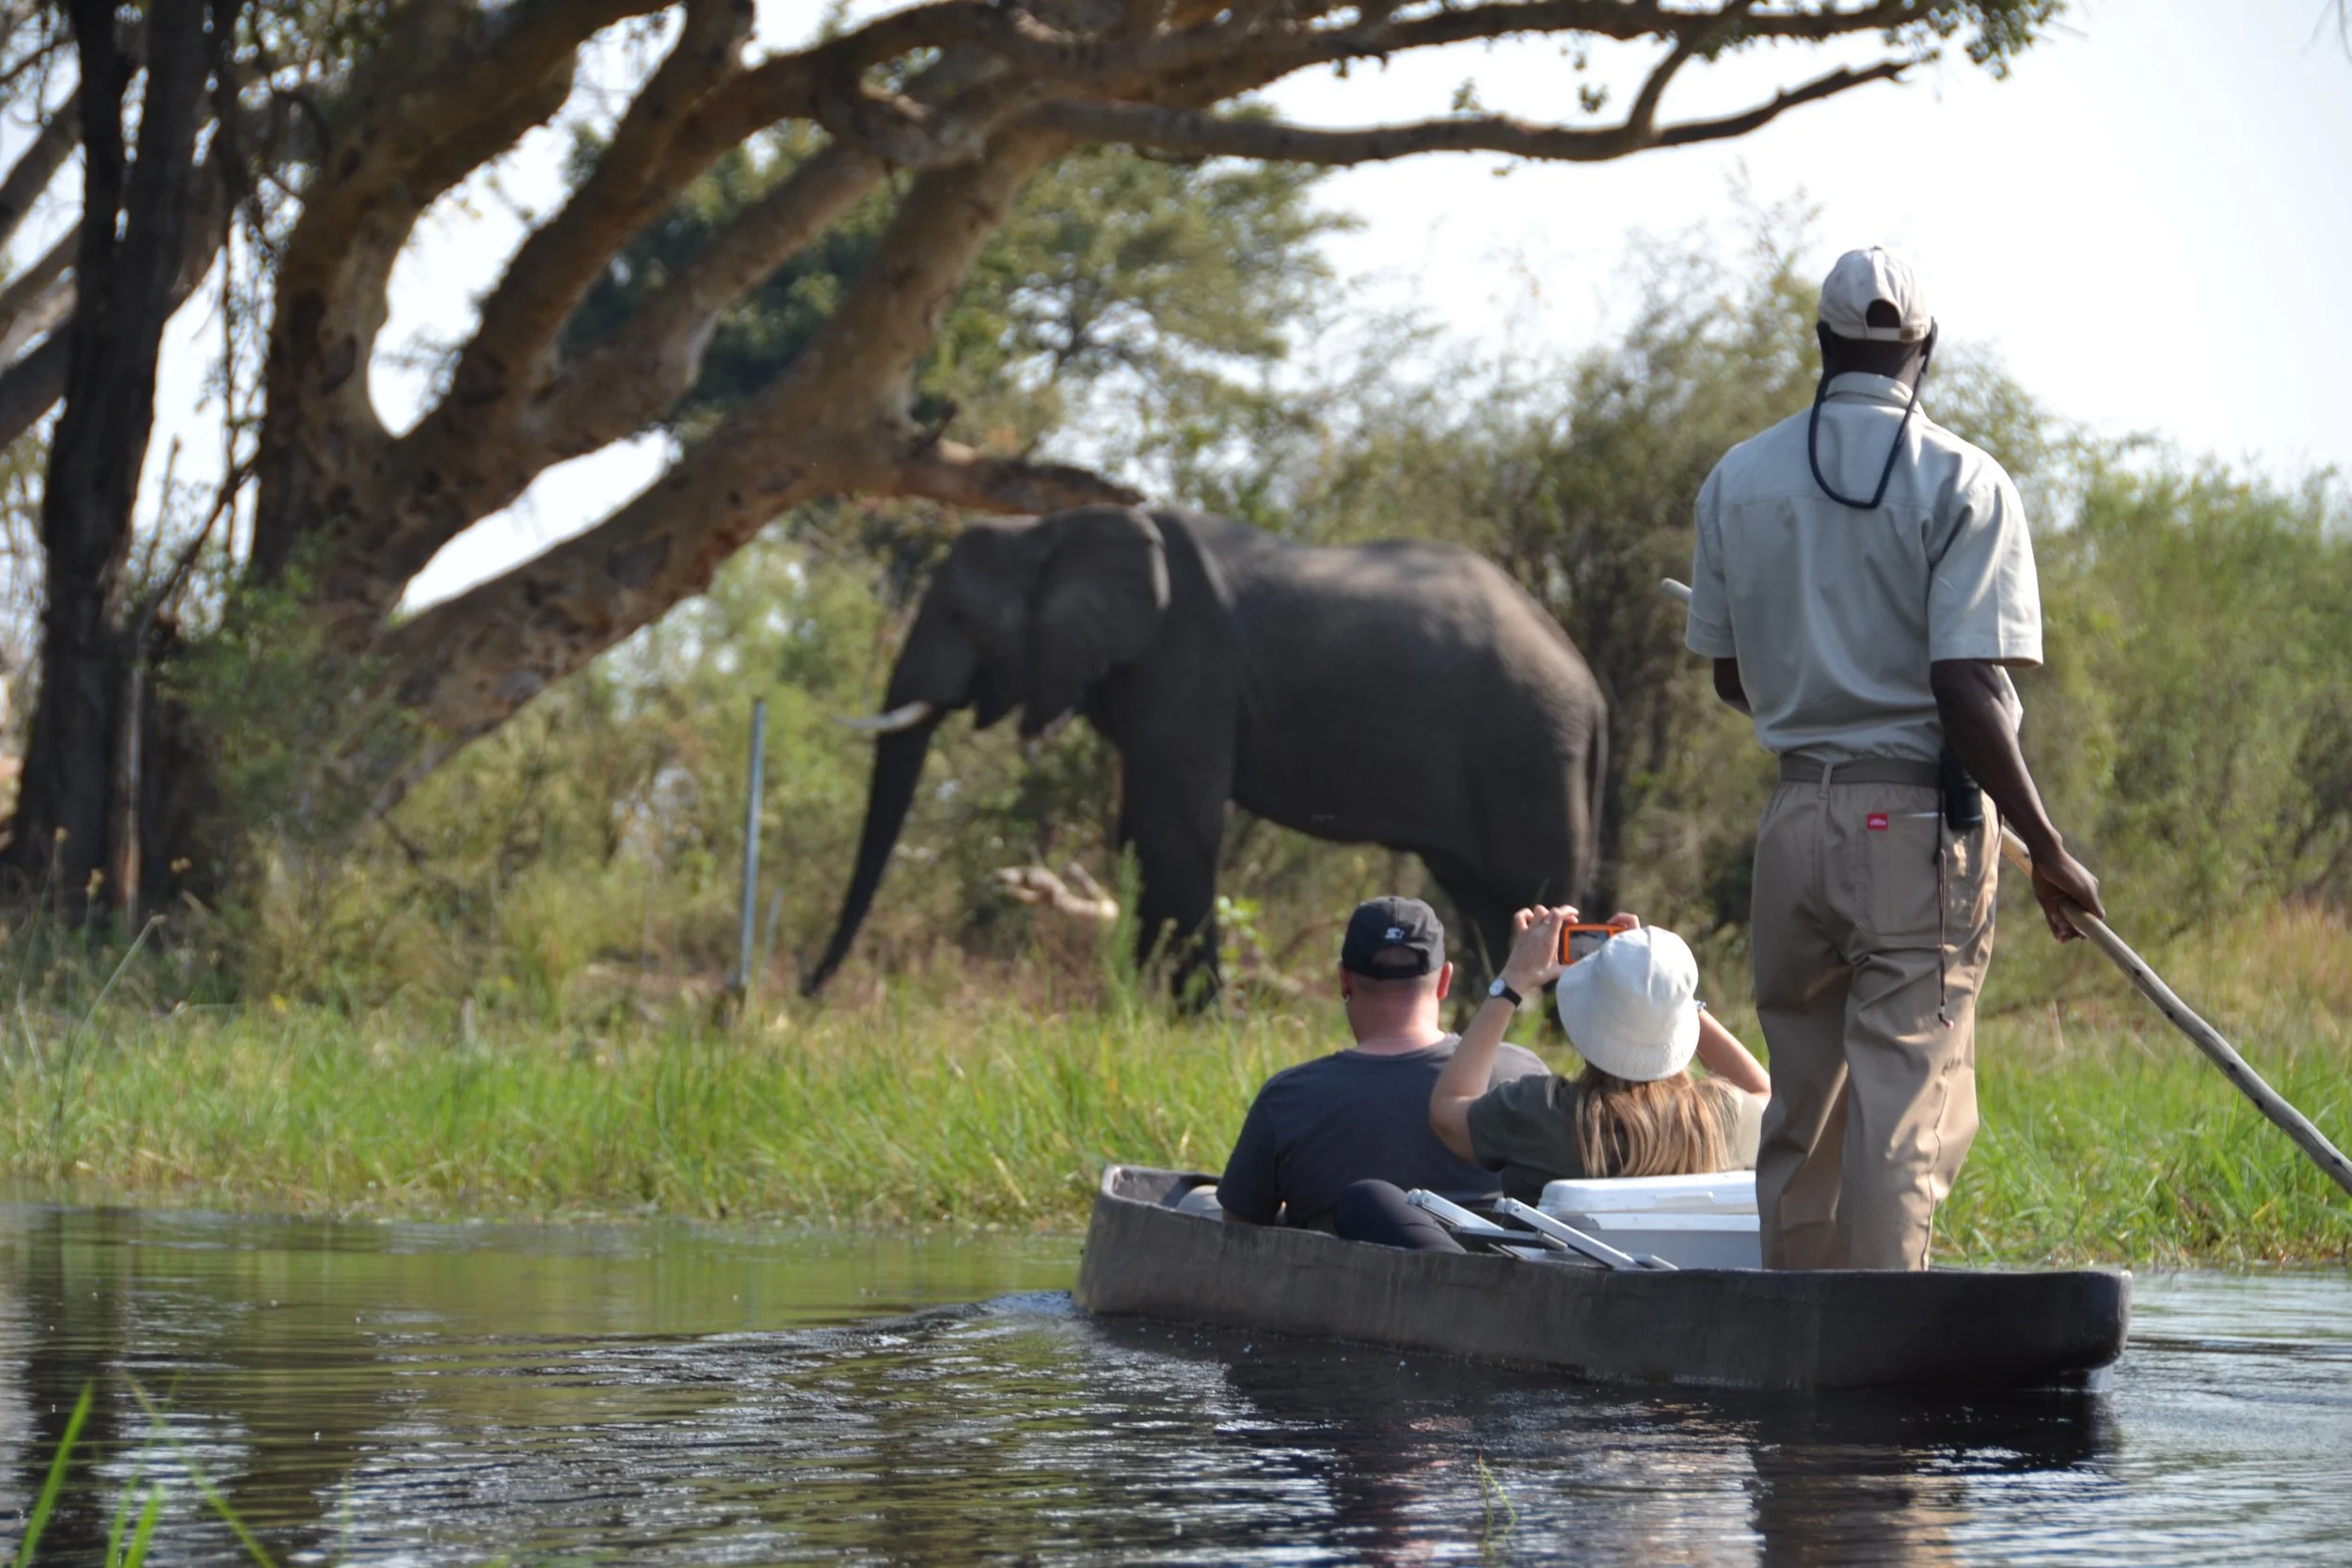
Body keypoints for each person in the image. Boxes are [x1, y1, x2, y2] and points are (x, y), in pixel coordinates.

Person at [1682, 245, 2105, 1271]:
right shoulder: (1964, 479)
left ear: (1823, 345)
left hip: (1793, 823)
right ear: (1926, 348)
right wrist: (2047, 845)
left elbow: (1731, 681)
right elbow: (1966, 687)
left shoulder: (1738, 477)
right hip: (1913, 826)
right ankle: (1881, 1374)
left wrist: (1808, 680)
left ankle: (1797, 1349)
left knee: (1805, 1101)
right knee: (1902, 1107)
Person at [1214, 895, 1547, 1238]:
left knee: (1201, 1201)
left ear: (1344, 980)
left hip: (1338, 1288)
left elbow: (1239, 1234)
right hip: (1497, 1286)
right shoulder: (1520, 1074)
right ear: (1445, 981)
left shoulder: (1286, 1099)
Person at [1425, 908, 1771, 1212]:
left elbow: (1448, 1111)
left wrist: (1512, 981)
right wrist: (1667, 991)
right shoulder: (1725, 1120)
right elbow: (1764, 1091)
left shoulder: (1538, 1113)